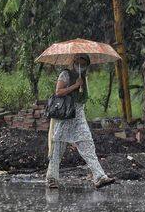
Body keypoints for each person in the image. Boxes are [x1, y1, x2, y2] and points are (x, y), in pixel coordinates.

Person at [45, 54, 115, 189]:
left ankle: (99, 177)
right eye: (78, 63)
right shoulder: (65, 75)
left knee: (87, 144)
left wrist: (80, 84)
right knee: (58, 148)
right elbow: (58, 92)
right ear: (73, 63)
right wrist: (75, 86)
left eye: (83, 64)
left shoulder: (83, 78)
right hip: (65, 116)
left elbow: (82, 98)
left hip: (78, 116)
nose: (80, 67)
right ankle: (52, 179)